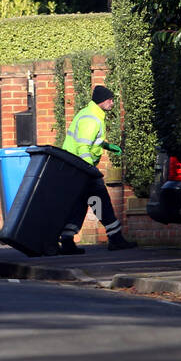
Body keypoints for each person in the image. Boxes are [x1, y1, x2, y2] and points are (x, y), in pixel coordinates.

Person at [59, 84, 136, 253]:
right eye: (110, 100)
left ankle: (67, 240)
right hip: (81, 168)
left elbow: (92, 140)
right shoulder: (91, 119)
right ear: (101, 101)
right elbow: (83, 147)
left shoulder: (92, 114)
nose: (112, 103)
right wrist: (90, 169)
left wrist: (107, 146)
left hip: (75, 168)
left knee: (80, 204)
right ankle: (115, 238)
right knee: (101, 201)